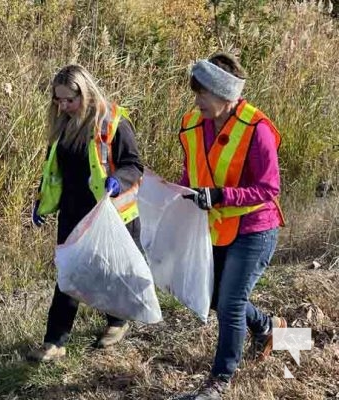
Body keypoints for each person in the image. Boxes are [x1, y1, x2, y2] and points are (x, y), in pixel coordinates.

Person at [177, 52, 286, 399]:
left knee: (230, 304)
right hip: (216, 226)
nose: (197, 102)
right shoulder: (194, 123)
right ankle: (269, 327)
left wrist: (221, 195)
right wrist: (181, 194)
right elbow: (191, 171)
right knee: (211, 297)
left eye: (202, 94)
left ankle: (220, 379)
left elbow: (269, 189)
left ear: (226, 95)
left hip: (256, 227)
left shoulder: (258, 129)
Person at [28, 64, 144, 361]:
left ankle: (117, 322)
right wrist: (41, 203)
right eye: (58, 100)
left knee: (110, 271)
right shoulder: (61, 125)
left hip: (109, 212)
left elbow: (133, 164)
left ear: (86, 92)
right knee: (70, 274)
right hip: (73, 210)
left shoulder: (112, 121)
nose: (63, 106)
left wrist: (119, 182)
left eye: (69, 99)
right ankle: (55, 341)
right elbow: (54, 169)